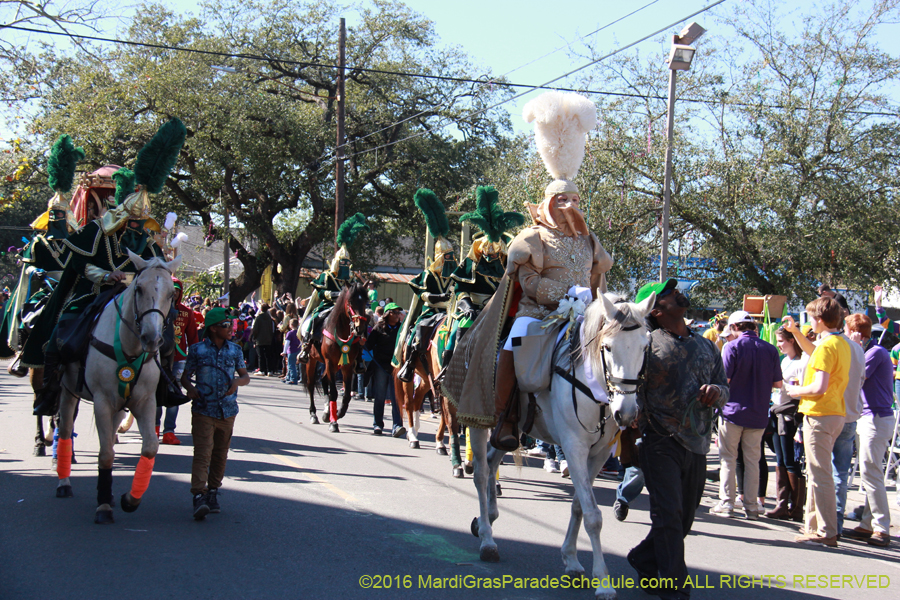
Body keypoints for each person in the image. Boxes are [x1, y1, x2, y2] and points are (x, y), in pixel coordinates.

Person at [443, 91, 612, 451]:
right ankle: (506, 419)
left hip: (581, 316)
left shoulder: (588, 240)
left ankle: (616, 425)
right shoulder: (533, 237)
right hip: (538, 313)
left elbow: (602, 268)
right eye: (563, 200)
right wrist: (554, 294)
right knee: (511, 344)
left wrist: (585, 287)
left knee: (619, 348)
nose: (571, 205)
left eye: (576, 200)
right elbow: (525, 277)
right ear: (550, 203)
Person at [27, 159, 168, 415]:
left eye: (142, 223)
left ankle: (163, 388)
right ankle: (50, 388)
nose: (137, 227)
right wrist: (105, 275)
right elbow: (81, 264)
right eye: (133, 222)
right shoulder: (97, 232)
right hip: (94, 292)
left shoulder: (147, 242)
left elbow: (158, 271)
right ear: (124, 218)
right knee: (61, 331)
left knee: (164, 337)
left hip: (134, 299)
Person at [626, 278, 728, 600]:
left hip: (697, 444)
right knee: (668, 516)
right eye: (668, 294)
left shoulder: (707, 345)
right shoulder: (646, 344)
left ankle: (643, 557)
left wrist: (716, 392)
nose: (676, 294)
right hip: (659, 440)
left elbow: (724, 387)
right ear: (656, 310)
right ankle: (674, 590)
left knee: (682, 520)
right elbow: (628, 386)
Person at [784, 297, 851, 547]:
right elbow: (813, 353)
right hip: (834, 414)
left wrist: (796, 392)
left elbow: (819, 386)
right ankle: (815, 527)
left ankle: (827, 531)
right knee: (816, 473)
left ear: (820, 320)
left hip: (820, 415)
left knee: (820, 475)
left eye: (811, 318)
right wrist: (795, 332)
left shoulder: (827, 345)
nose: (810, 322)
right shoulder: (839, 342)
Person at [439, 185, 523, 372]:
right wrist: (466, 304)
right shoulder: (471, 264)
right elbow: (460, 288)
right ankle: (450, 367)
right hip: (473, 309)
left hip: (499, 313)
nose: (490, 258)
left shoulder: (508, 267)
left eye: (494, 255)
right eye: (487, 254)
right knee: (458, 329)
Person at [711, 311, 782, 520]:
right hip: (758, 412)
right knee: (753, 460)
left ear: (734, 327)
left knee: (728, 459)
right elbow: (778, 384)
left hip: (732, 411)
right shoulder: (770, 350)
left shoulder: (731, 347)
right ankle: (751, 506)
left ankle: (727, 503)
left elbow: (724, 380)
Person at [181, 307, 250, 520]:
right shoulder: (197, 350)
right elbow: (185, 377)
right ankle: (198, 495)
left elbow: (245, 376)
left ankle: (213, 492)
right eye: (225, 325)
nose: (230, 329)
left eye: (231, 325)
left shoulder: (235, 350)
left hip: (228, 411)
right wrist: (190, 390)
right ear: (213, 329)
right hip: (203, 409)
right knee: (203, 453)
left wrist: (237, 382)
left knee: (220, 453)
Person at [841, 314, 894, 547]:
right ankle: (867, 524)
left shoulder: (874, 353)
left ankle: (881, 528)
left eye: (845, 330)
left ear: (855, 333)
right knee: (869, 473)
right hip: (871, 418)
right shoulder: (871, 351)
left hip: (876, 418)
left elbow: (853, 378)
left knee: (871, 474)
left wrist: (854, 348)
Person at [396, 188, 457, 382]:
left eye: (452, 256)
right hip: (432, 311)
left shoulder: (455, 274)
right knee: (420, 328)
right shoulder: (428, 275)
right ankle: (410, 363)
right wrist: (440, 298)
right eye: (447, 256)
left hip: (451, 312)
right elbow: (423, 295)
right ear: (440, 256)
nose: (451, 259)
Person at [298, 212, 369, 374]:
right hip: (328, 306)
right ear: (337, 262)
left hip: (346, 308)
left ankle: (358, 357)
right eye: (342, 262)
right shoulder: (326, 276)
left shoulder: (350, 278)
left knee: (362, 321)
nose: (345, 265)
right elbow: (321, 293)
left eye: (347, 263)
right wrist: (337, 296)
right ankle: (306, 346)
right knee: (314, 319)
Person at [766, 327, 808, 521]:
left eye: (782, 341)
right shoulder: (785, 361)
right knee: (781, 458)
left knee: (791, 459)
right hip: (777, 411)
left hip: (790, 415)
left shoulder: (802, 362)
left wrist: (785, 385)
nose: (779, 344)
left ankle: (797, 506)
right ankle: (782, 503)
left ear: (792, 341)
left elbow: (801, 391)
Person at [154, 278, 199, 445]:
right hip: (157, 358)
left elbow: (193, 338)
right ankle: (154, 428)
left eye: (177, 290)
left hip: (179, 359)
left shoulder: (187, 312)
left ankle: (169, 432)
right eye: (170, 289)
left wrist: (195, 360)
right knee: (156, 393)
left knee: (175, 392)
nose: (174, 293)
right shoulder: (156, 308)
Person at [364, 302, 406, 437]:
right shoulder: (378, 328)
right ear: (388, 314)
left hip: (396, 367)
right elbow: (369, 345)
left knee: (397, 398)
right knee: (380, 397)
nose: (398, 315)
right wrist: (362, 343)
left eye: (399, 312)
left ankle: (397, 426)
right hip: (381, 366)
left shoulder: (402, 329)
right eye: (395, 312)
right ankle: (377, 425)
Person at [250, 303, 275, 376]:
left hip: (259, 339)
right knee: (268, 355)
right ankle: (269, 370)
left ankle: (262, 370)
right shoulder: (269, 318)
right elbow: (271, 329)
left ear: (261, 309)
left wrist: (254, 338)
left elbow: (255, 329)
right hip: (268, 339)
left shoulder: (258, 318)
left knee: (260, 355)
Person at [284, 318, 301, 385]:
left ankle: (293, 379)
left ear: (291, 325)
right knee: (294, 365)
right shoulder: (299, 333)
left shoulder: (290, 333)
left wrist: (284, 351)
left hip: (291, 350)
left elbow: (287, 343)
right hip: (298, 350)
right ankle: (288, 378)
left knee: (291, 365)